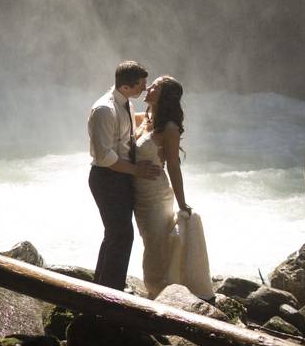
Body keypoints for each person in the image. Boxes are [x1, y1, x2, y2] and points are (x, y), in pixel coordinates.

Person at [132, 75, 212, 301]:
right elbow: (121, 117)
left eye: (155, 86)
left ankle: (157, 294)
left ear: (164, 96)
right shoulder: (146, 119)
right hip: (139, 194)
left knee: (155, 245)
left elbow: (174, 167)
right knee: (150, 241)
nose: (148, 88)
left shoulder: (169, 128)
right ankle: (159, 291)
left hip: (156, 195)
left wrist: (182, 202)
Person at [87, 61, 162, 291]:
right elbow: (105, 156)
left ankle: (101, 287)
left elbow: (131, 126)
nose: (145, 89)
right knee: (122, 234)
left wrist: (161, 115)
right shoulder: (104, 110)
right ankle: (111, 291)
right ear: (126, 87)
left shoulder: (125, 103)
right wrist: (137, 170)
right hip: (106, 177)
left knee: (115, 234)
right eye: (141, 85)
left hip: (120, 177)